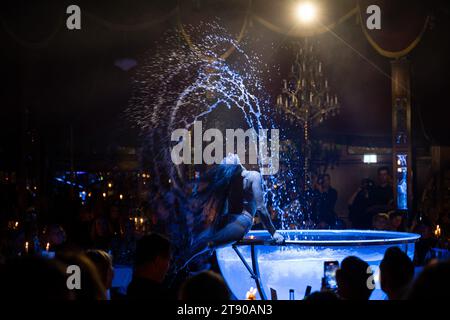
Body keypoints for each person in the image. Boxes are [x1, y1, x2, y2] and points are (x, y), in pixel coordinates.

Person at [183, 154, 284, 268]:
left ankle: (179, 265)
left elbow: (261, 208)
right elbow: (223, 206)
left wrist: (273, 232)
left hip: (241, 221)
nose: (230, 154)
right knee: (200, 241)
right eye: (226, 157)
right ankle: (181, 266)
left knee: (206, 243)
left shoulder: (252, 176)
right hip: (231, 220)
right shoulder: (234, 180)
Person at [127, 233, 173, 300]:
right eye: (168, 260)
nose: (169, 266)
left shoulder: (132, 288)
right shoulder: (158, 295)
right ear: (158, 260)